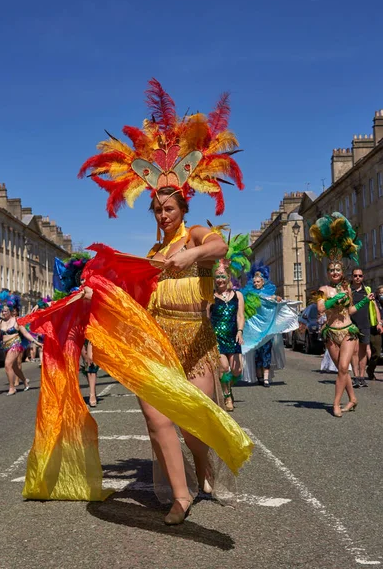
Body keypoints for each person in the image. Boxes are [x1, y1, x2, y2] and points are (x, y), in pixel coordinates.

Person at [22, 79, 253, 523]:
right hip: (157, 344)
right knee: (156, 418)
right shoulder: (148, 258)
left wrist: (190, 252)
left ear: (183, 211)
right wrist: (94, 295)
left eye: (171, 209)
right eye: (159, 211)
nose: (165, 216)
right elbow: (126, 296)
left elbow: (220, 248)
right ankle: (180, 497)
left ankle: (202, 468)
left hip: (197, 344)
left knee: (194, 425)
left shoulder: (196, 235)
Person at [309, 212, 373, 417]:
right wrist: (334, 299)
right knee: (341, 371)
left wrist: (364, 300)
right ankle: (352, 399)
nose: (335, 272)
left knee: (345, 367)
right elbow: (320, 309)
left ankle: (335, 404)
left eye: (338, 269)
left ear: (341, 271)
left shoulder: (348, 289)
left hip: (347, 332)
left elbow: (351, 310)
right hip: (330, 333)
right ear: (328, 272)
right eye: (331, 270)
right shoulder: (321, 289)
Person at [209, 265, 244, 411]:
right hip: (217, 337)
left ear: (228, 277)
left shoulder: (238, 295)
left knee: (237, 370)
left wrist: (240, 331)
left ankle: (228, 387)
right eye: (217, 277)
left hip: (233, 337)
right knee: (223, 367)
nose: (220, 280)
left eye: (223, 276)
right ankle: (227, 396)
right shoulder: (210, 296)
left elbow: (240, 315)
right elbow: (206, 316)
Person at [0, 290, 42, 395]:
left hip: (16, 344)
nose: (3, 313)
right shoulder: (1, 322)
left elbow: (25, 333)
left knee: (7, 365)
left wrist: (36, 342)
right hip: (5, 346)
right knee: (15, 367)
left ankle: (12, 388)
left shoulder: (17, 320)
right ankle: (25, 381)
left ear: (10, 311)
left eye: (5, 311)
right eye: (2, 311)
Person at [350, 268, 373, 388]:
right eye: (355, 276)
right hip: (352, 325)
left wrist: (378, 322)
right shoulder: (348, 290)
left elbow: (373, 307)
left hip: (365, 324)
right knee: (354, 351)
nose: (357, 278)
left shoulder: (367, 290)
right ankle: (356, 376)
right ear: (352, 277)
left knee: (363, 352)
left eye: (360, 276)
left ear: (363, 277)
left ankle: (362, 376)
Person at [367, 285, 383, 381]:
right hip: (375, 329)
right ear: (377, 293)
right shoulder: (373, 302)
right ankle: (370, 370)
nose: (382, 295)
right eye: (380, 293)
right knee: (376, 353)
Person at [80, 340, 99, 407]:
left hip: (92, 332)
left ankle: (92, 394)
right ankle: (93, 390)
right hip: (78, 333)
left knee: (91, 361)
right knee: (86, 361)